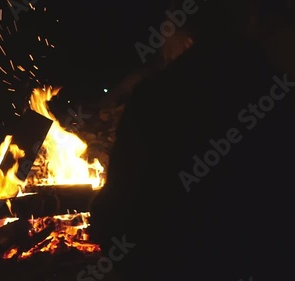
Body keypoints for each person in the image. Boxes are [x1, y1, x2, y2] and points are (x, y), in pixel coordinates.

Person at [90, 1, 295, 280]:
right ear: (251, 16)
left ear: (186, 20)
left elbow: (116, 217)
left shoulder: (155, 99)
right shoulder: (281, 95)